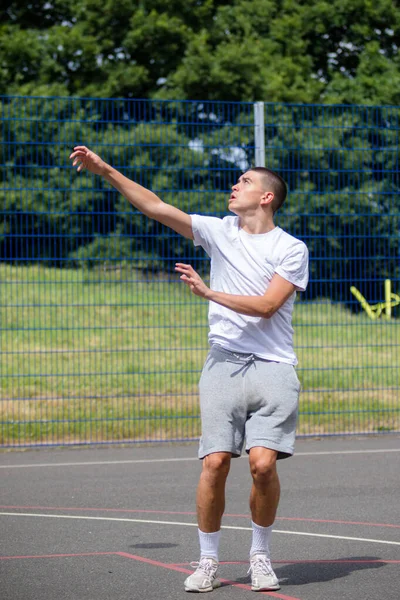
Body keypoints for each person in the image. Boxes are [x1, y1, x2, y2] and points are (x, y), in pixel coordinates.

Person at [69, 146, 309, 593]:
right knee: (215, 462)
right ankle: (208, 561)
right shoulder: (219, 231)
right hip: (223, 363)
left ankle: (259, 555)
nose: (234, 186)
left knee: (261, 466)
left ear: (266, 198)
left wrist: (209, 293)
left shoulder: (290, 248)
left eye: (244, 182)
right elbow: (155, 206)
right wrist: (105, 170)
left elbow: (268, 306)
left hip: (274, 367)